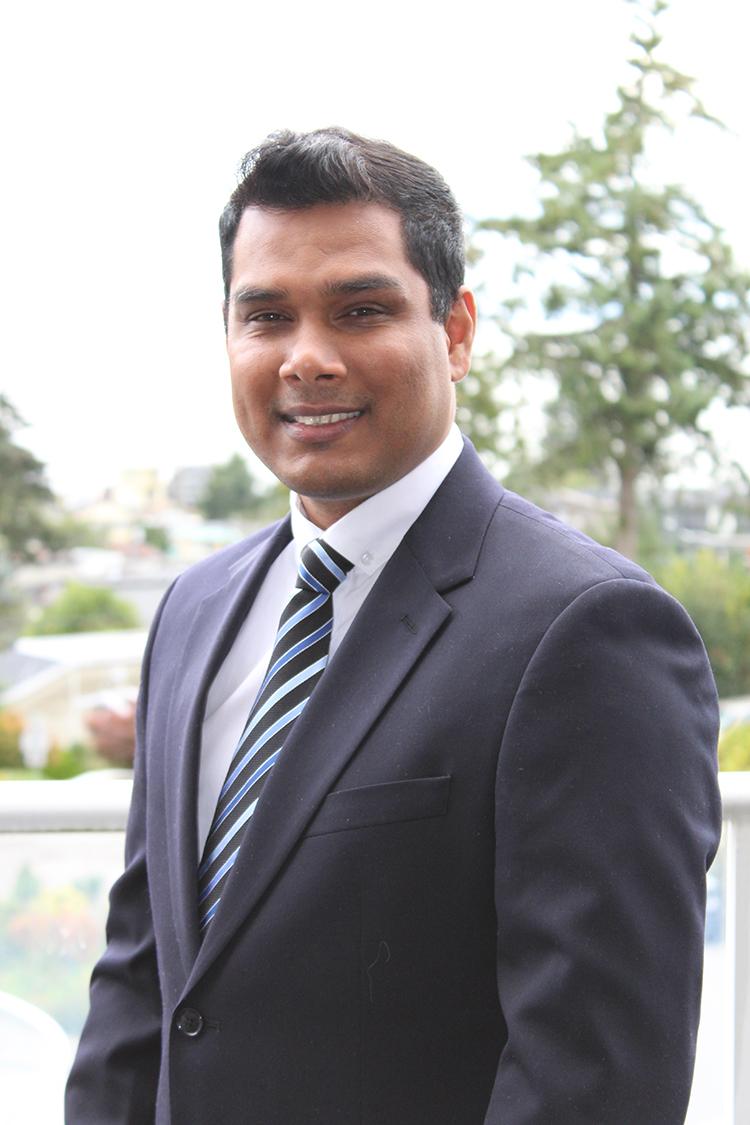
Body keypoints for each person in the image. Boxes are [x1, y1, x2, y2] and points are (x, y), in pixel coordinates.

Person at [66, 128, 721, 1125]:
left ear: (455, 331)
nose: (307, 358)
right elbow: (139, 985)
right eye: (266, 316)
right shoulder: (192, 611)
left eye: (361, 310)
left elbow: (594, 1080)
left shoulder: (591, 632)